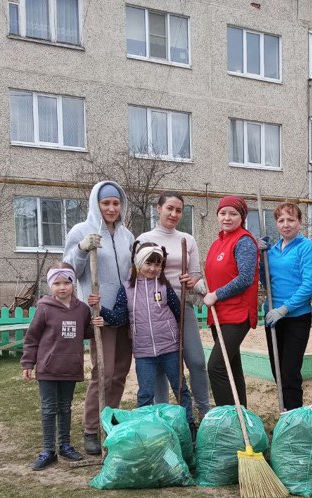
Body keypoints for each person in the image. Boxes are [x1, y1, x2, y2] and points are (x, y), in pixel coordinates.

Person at [89, 242, 195, 435]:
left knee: (180, 388)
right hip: (144, 352)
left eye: (157, 264)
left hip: (170, 348)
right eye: (148, 263)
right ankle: (144, 430)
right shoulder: (127, 289)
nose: (153, 268)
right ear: (139, 263)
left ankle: (189, 426)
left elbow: (178, 312)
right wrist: (100, 308)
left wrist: (175, 335)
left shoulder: (163, 286)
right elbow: (119, 317)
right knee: (145, 393)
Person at [63, 181, 134, 456]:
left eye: (116, 203)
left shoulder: (127, 235)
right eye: (106, 203)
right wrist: (82, 248)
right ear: (96, 204)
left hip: (124, 312)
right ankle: (91, 429)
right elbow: (68, 270)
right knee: (102, 373)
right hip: (99, 313)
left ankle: (110, 421)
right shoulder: (82, 230)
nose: (112, 208)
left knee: (120, 373)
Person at [136, 192, 209, 422]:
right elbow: (137, 273)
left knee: (196, 361)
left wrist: (195, 281)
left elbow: (196, 275)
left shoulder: (187, 239)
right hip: (154, 309)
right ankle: (163, 415)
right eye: (169, 208)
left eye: (179, 210)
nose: (174, 214)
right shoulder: (144, 238)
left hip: (183, 305)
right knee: (158, 364)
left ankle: (204, 411)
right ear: (158, 208)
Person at [21, 263, 97, 470]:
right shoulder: (44, 308)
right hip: (48, 367)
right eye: (57, 283)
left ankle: (65, 445)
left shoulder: (81, 309)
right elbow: (32, 337)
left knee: (65, 407)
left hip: (70, 366)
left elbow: (85, 333)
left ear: (73, 284)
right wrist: (28, 362)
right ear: (50, 285)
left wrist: (96, 324)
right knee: (48, 408)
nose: (62, 287)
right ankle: (48, 450)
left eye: (66, 282)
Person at [261, 203, 312, 411]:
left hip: (296, 318)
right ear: (276, 223)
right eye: (281, 220)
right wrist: (261, 257)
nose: (286, 225)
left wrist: (285, 309)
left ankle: (294, 418)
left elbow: (308, 285)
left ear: (299, 222)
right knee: (277, 369)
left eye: (291, 220)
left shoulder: (307, 248)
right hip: (272, 317)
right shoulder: (273, 250)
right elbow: (265, 280)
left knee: (290, 372)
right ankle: (284, 412)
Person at [203, 195, 259, 407]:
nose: (227, 217)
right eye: (223, 213)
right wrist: (201, 286)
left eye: (233, 214)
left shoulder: (244, 241)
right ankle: (241, 414)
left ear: (242, 217)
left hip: (237, 314)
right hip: (219, 314)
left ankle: (227, 419)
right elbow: (215, 275)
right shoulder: (218, 242)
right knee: (231, 367)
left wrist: (216, 294)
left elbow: (245, 278)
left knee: (216, 366)